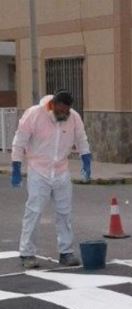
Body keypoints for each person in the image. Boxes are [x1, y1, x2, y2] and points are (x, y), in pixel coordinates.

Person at [11, 90, 92, 269]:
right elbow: (20, 140)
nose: (64, 114)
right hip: (38, 170)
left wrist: (86, 158)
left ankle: (66, 252)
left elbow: (81, 139)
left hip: (61, 171)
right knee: (34, 211)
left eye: (67, 111)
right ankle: (27, 253)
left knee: (65, 212)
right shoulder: (34, 114)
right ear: (53, 105)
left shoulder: (74, 118)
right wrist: (16, 166)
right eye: (61, 110)